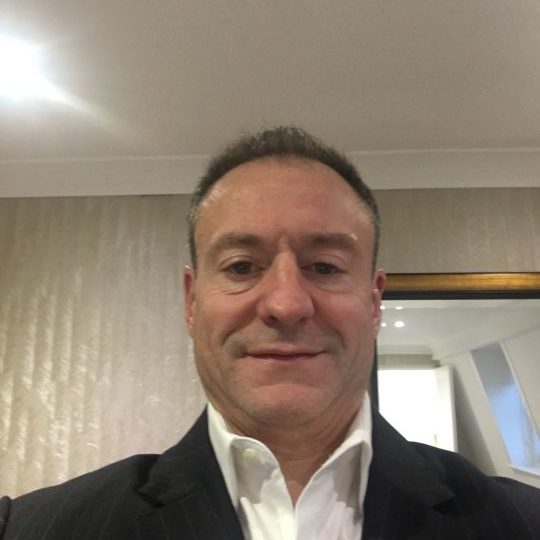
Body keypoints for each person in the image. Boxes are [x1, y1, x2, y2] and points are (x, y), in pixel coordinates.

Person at [1, 127, 539, 540]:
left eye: (325, 267)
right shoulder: (29, 529)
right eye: (241, 266)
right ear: (192, 301)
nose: (286, 304)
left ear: (374, 303)